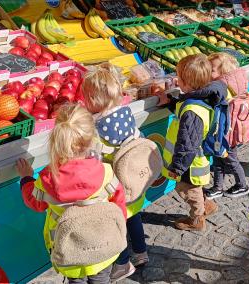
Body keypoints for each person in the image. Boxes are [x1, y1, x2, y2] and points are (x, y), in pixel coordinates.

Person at [16, 103, 127, 284]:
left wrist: (26, 178)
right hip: (104, 246)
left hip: (70, 251)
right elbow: (120, 206)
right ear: (92, 138)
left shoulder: (48, 179)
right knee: (102, 279)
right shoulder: (106, 172)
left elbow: (33, 202)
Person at [81, 64, 149, 282]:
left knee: (115, 228)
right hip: (133, 184)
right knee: (134, 220)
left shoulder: (97, 130)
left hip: (114, 190)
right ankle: (141, 252)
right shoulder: (125, 115)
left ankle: (121, 264)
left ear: (92, 99)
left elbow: (94, 161)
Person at [160, 54, 224, 231]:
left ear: (187, 84)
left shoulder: (192, 111)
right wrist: (170, 103)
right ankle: (207, 206)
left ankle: (197, 219)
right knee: (195, 187)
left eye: (178, 78)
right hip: (191, 159)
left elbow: (187, 142)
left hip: (189, 163)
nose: (176, 80)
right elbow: (183, 108)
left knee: (187, 189)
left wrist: (177, 167)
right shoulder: (197, 98)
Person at [202, 52, 249, 200]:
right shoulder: (232, 84)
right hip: (223, 133)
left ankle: (242, 185)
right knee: (218, 159)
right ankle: (217, 187)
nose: (209, 73)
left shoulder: (222, 88)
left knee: (231, 160)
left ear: (224, 73)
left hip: (226, 135)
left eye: (212, 70)